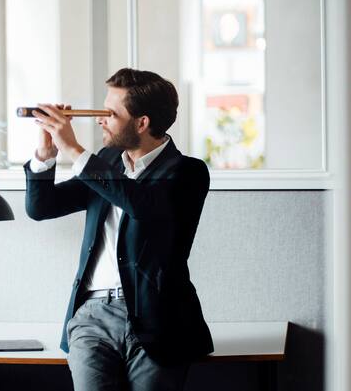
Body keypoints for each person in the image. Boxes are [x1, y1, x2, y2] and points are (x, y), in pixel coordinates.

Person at [25, 68, 213, 391]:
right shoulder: (107, 162)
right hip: (93, 317)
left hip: (160, 320)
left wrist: (75, 150)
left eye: (110, 114)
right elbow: (41, 208)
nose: (100, 120)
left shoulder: (187, 173)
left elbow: (141, 204)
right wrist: (47, 155)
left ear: (142, 123)